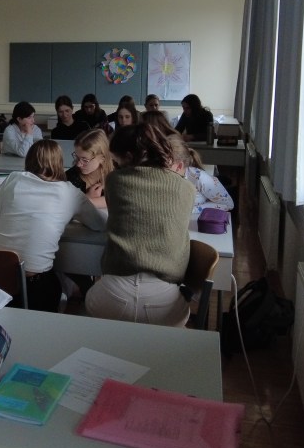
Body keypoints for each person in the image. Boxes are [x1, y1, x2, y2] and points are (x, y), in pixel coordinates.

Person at [85, 123, 195, 327]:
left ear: (128, 157)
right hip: (165, 300)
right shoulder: (186, 188)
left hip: (112, 294)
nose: (115, 165)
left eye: (116, 161)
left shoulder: (114, 180)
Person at [0, 140, 105, 312]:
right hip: (34, 289)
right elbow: (98, 224)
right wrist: (86, 202)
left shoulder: (13, 179)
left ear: (28, 160)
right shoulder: (70, 192)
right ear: (59, 163)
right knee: (59, 284)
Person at [166, 135, 235, 215]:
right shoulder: (162, 179)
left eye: (163, 165)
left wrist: (193, 210)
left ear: (179, 166)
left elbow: (228, 204)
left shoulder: (200, 178)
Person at [65, 128, 112, 209]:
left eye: (85, 160)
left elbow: (119, 199)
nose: (78, 164)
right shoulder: (70, 177)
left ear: (102, 158)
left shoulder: (115, 174)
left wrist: (85, 201)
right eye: (77, 157)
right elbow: (64, 206)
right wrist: (87, 197)